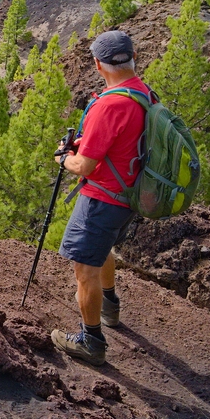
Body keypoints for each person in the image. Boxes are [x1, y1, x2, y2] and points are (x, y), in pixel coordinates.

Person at [51, 30, 148, 366]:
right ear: (133, 57)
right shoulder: (144, 94)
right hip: (129, 196)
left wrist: (63, 158)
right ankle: (110, 306)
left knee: (85, 268)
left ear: (97, 64)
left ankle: (91, 341)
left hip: (101, 199)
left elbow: (84, 165)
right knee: (102, 249)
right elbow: (123, 144)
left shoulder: (109, 105)